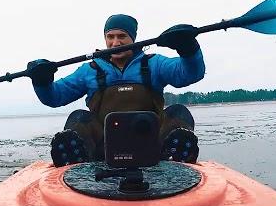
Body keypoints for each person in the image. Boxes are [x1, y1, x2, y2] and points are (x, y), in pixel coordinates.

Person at [26, 14, 205, 167]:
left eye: (122, 36)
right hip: (103, 147)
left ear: (132, 39)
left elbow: (190, 74)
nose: (115, 43)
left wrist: (189, 49)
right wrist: (42, 81)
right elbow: (54, 97)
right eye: (110, 37)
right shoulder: (90, 70)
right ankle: (76, 163)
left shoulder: (154, 64)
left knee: (178, 111)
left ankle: (174, 159)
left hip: (152, 142)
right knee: (78, 116)